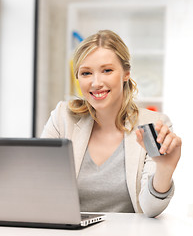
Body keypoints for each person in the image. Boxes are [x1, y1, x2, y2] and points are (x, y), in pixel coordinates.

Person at [41, 30, 182, 217]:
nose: (96, 82)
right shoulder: (63, 117)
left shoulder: (154, 124)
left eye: (107, 70)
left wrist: (165, 169)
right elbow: (41, 187)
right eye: (86, 73)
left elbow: (149, 209)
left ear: (125, 74)